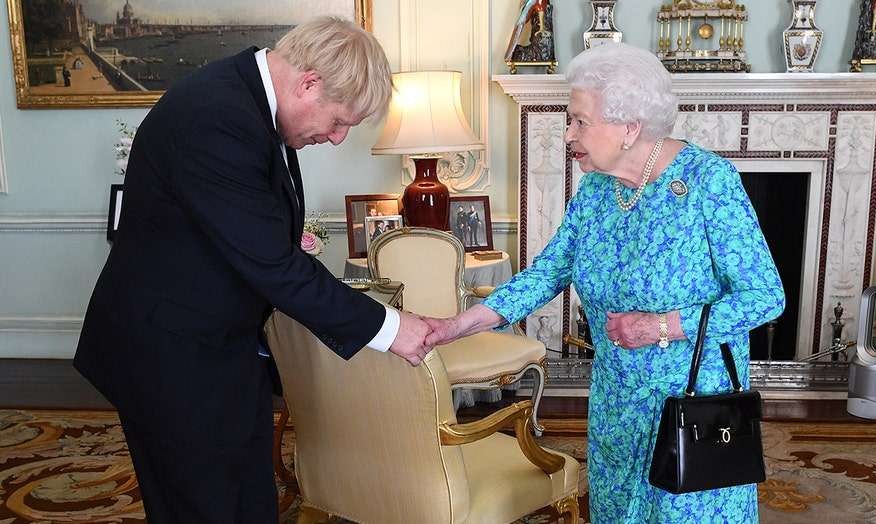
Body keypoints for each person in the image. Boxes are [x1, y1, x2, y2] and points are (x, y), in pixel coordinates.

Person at [74, 17, 432, 524]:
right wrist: (391, 328)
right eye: (339, 121)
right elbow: (274, 263)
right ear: (309, 83)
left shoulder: (250, 105)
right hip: (168, 355)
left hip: (219, 345)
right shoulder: (215, 116)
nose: (336, 138)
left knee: (245, 499)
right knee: (202, 508)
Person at [425, 43, 785, 523]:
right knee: (618, 511)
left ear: (629, 127)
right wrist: (456, 326)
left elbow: (766, 297)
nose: (568, 133)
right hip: (617, 400)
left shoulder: (707, 182)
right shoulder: (597, 188)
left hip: (692, 403)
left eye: (579, 120)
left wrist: (661, 326)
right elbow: (548, 272)